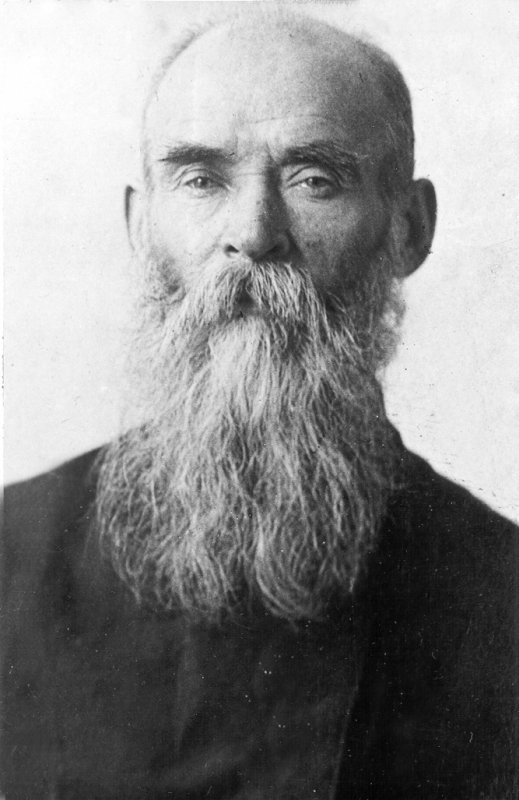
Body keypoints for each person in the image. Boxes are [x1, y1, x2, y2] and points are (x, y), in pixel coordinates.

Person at [1, 8, 517, 799]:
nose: (253, 232)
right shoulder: (12, 556)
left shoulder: (499, 595)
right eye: (200, 179)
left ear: (409, 228)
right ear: (141, 227)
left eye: (314, 180)